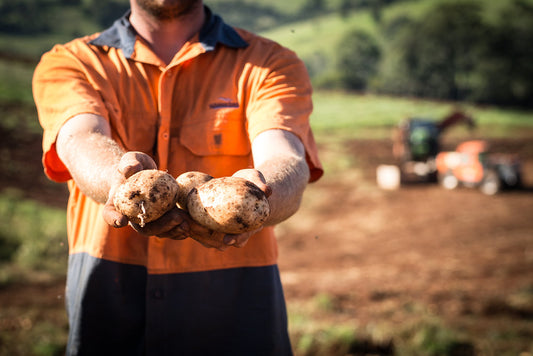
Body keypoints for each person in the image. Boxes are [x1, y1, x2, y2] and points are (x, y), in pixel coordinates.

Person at [32, 0, 323, 355]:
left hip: (235, 310)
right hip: (109, 304)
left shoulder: (271, 63)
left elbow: (284, 154)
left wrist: (263, 192)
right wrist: (117, 179)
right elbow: (81, 139)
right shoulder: (71, 62)